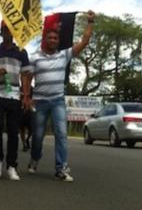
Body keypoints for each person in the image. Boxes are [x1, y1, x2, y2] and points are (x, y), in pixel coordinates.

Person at [27, 10, 95, 182]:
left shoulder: (64, 55)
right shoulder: (34, 58)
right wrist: (26, 96)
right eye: (49, 38)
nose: (52, 40)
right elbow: (27, 77)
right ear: (45, 40)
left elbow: (84, 41)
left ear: (58, 41)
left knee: (62, 133)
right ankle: (35, 158)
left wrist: (90, 22)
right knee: (37, 136)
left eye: (55, 39)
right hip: (40, 102)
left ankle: (61, 168)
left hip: (57, 100)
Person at [0, 21, 33, 181]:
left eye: (11, 30)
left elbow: (26, 75)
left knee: (14, 132)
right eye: (5, 30)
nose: (8, 33)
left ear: (14, 33)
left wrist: (26, 96)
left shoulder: (21, 51)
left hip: (14, 94)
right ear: (1, 32)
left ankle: (12, 166)